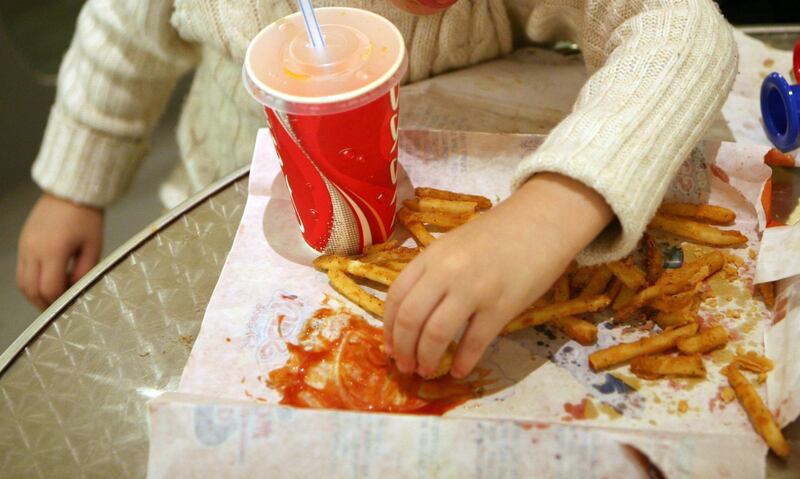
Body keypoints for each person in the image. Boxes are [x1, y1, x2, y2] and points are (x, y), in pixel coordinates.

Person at [17, 0, 737, 379]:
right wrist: (74, 186)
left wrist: (550, 209)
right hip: (226, 194)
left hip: (446, 212)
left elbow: (683, 31)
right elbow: (122, 36)